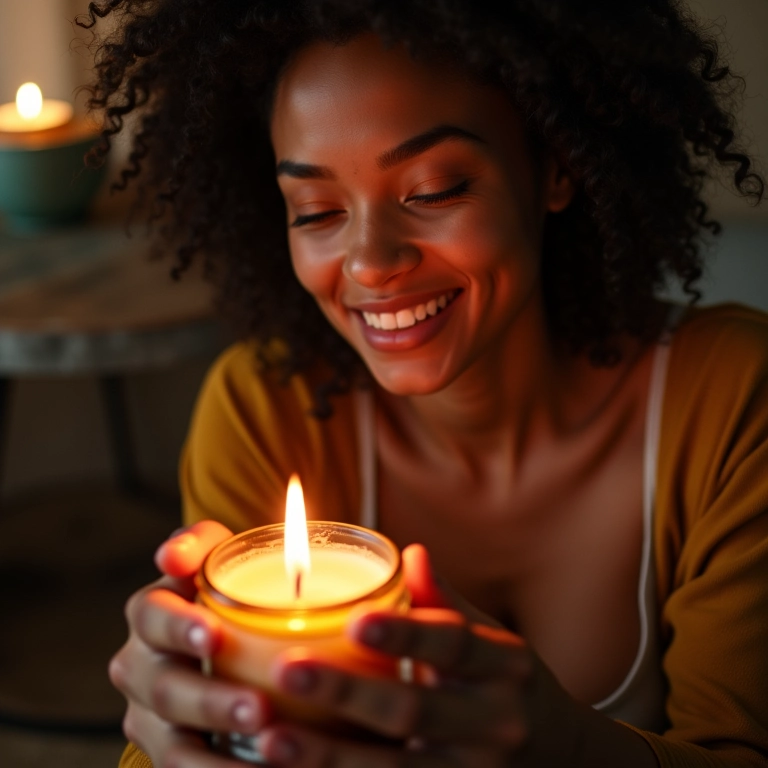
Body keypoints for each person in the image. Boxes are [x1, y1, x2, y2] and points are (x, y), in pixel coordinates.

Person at [80, 1, 768, 766]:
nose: (370, 262)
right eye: (317, 211)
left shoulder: (736, 400)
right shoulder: (265, 407)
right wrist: (181, 727)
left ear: (555, 166)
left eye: (434, 189)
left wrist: (565, 745)